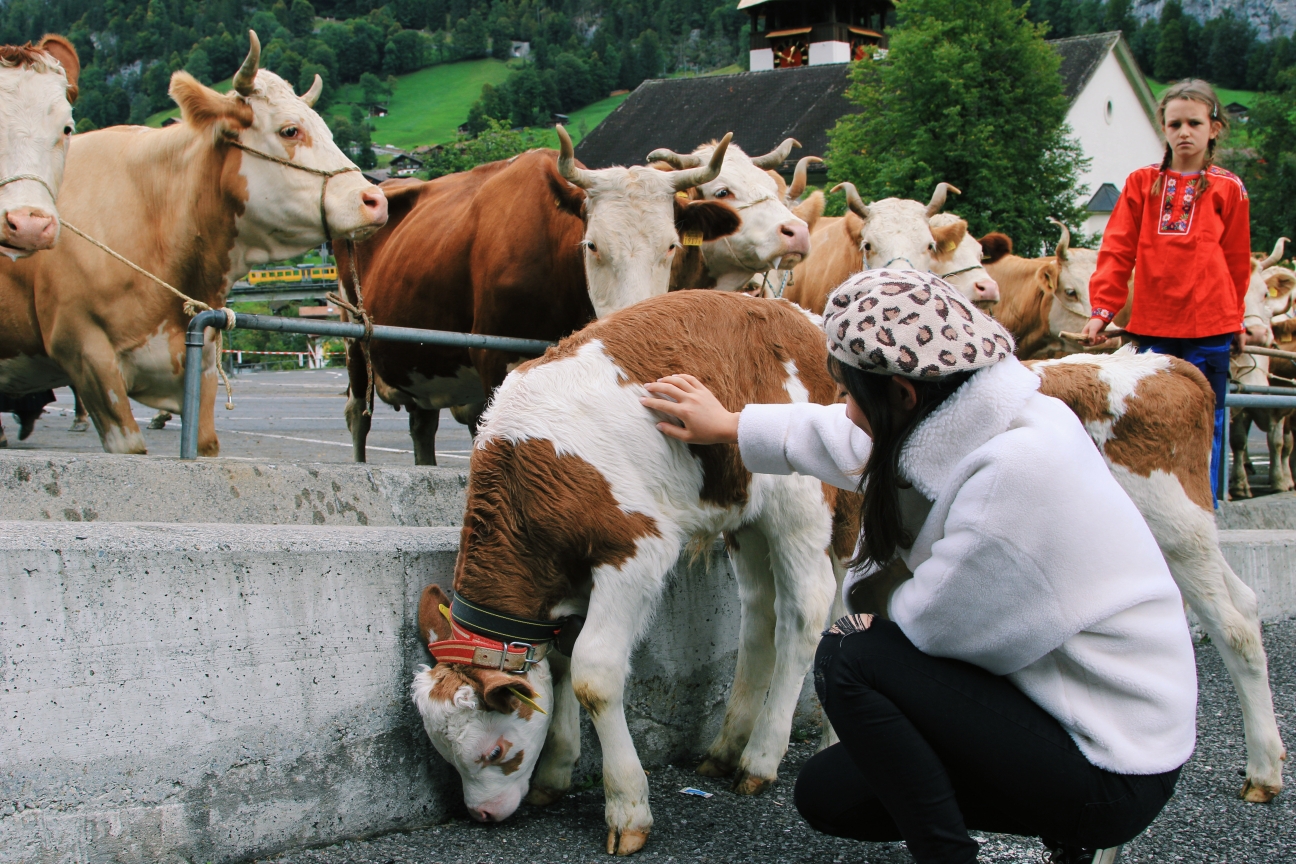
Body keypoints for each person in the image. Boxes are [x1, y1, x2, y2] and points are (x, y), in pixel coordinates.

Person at [641, 271, 1197, 864]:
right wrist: (730, 424)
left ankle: (952, 855)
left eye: (851, 393)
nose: (843, 409)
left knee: (851, 653)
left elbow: (935, 635)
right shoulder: (981, 412)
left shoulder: (1014, 473)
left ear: (903, 394)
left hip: (1112, 762)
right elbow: (849, 437)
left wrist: (875, 603)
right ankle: (1056, 830)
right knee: (830, 794)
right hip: (1075, 708)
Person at [1079, 79, 1250, 504]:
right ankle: (1151, 511)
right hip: (1153, 330)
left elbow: (1236, 262)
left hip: (1211, 330)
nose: (1184, 132)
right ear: (1164, 128)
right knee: (1149, 422)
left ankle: (1201, 510)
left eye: (1194, 122)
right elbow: (1117, 250)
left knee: (1205, 421)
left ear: (1215, 128)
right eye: (1175, 123)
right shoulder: (1141, 184)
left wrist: (1237, 318)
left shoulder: (1230, 188)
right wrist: (1103, 310)